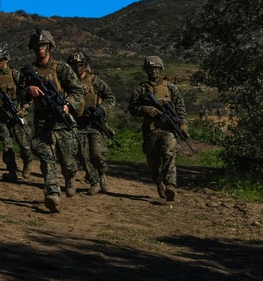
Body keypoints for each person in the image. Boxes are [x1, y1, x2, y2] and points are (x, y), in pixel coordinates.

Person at [17, 29, 84, 213]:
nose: (40, 49)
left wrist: (68, 104)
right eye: (37, 46)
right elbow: (20, 95)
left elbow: (78, 91)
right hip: (42, 122)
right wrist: (28, 90)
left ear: (50, 47)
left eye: (44, 45)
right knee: (47, 159)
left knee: (67, 160)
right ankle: (53, 193)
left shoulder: (61, 68)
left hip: (62, 121)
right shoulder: (28, 71)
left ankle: (70, 177)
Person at [128, 56, 188, 202]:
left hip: (168, 129)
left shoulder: (171, 88)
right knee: (153, 161)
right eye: (149, 69)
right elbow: (132, 108)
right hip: (151, 130)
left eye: (155, 69)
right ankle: (159, 182)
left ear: (160, 69)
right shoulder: (141, 89)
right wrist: (144, 109)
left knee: (169, 155)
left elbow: (180, 108)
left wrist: (183, 125)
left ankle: (171, 185)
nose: (153, 71)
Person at [0, 44, 33, 182]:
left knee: (24, 145)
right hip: (2, 116)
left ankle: (27, 162)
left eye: (1, 61)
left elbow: (28, 95)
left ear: (6, 60)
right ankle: (12, 171)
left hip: (17, 115)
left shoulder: (16, 75)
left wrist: (24, 109)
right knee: (6, 145)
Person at [67, 51, 116, 195]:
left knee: (97, 153)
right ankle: (94, 181)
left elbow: (110, 97)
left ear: (85, 65)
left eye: (81, 64)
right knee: (83, 154)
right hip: (79, 123)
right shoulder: (69, 83)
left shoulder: (95, 81)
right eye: (75, 65)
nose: (78, 68)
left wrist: (102, 109)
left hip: (95, 123)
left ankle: (102, 174)